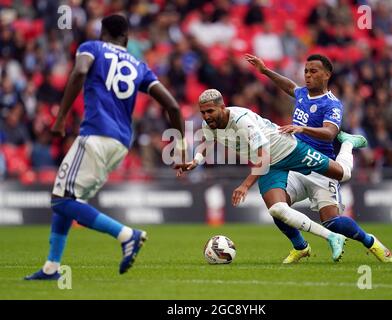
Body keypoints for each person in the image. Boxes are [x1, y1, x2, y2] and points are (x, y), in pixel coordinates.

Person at [25, 15, 185, 280]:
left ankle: (126, 235)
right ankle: (52, 267)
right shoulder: (139, 65)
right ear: (127, 38)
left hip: (96, 134)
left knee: (61, 199)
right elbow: (174, 107)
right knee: (69, 197)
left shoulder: (92, 48)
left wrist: (61, 116)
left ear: (102, 33)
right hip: (121, 143)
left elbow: (78, 71)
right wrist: (180, 147)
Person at [175, 88, 368, 262]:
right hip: (271, 164)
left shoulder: (242, 121)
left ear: (222, 107)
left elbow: (263, 156)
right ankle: (326, 239)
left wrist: (245, 185)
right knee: (277, 209)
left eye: (210, 111)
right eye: (203, 112)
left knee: (343, 174)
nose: (206, 116)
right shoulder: (209, 125)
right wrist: (195, 162)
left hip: (290, 150)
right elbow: (208, 144)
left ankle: (348, 143)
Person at [245, 53, 392, 263]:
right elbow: (289, 86)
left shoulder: (332, 104)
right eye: (306, 71)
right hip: (297, 166)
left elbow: (330, 133)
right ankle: (300, 247)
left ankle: (370, 241)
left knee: (332, 223)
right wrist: (265, 70)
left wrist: (302, 127)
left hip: (322, 168)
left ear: (327, 75)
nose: (308, 75)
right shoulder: (303, 94)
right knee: (278, 208)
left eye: (313, 71)